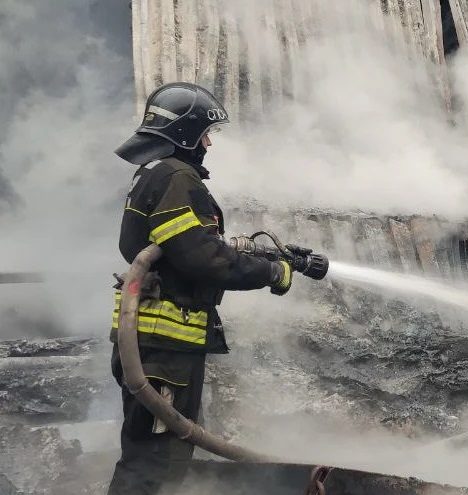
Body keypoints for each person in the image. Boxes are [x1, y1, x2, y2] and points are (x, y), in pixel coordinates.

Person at [107, 82, 292, 494]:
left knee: (149, 454)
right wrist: (271, 274)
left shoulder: (151, 176)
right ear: (186, 134)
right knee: (157, 463)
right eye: (206, 133)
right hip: (165, 350)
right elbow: (200, 258)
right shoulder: (177, 177)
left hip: (152, 348)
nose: (209, 143)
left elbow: (176, 248)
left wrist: (240, 251)